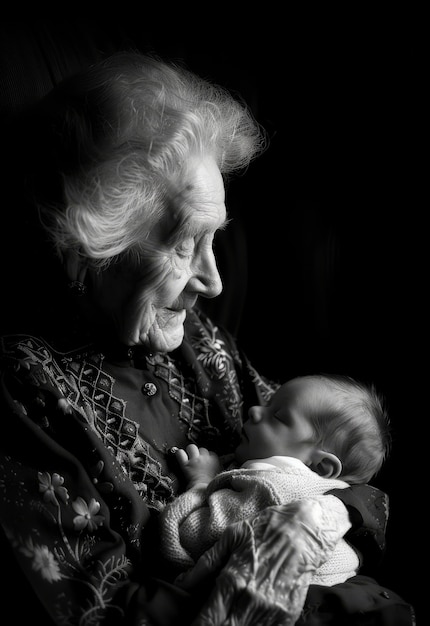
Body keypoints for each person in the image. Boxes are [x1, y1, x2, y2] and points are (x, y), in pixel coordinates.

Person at [0, 51, 414, 626]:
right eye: (183, 242)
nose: (214, 282)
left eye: (215, 239)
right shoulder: (25, 389)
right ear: (96, 237)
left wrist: (317, 525)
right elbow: (101, 612)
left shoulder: (191, 333)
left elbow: (342, 465)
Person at [158, 373, 390, 590]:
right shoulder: (340, 502)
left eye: (278, 416)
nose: (255, 411)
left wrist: (202, 481)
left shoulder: (274, 488)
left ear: (319, 466)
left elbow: (194, 537)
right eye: (268, 404)